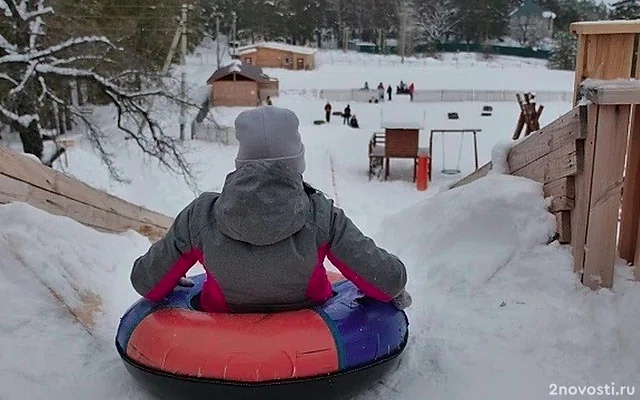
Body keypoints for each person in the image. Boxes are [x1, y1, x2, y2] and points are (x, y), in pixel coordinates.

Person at [130, 106, 411, 313]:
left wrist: (166, 280)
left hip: (220, 342)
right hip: (312, 347)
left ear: (241, 161)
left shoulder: (200, 216)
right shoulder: (322, 215)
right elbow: (389, 278)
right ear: (297, 162)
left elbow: (145, 281)